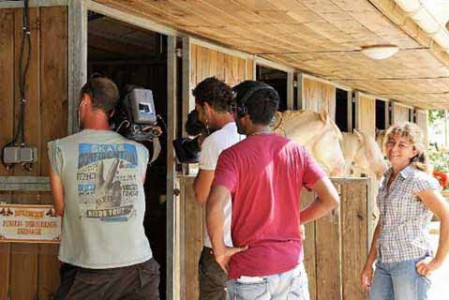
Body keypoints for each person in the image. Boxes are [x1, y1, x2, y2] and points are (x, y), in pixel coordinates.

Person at [206, 80, 340, 299]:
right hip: (292, 268)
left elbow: (214, 204)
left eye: (234, 109)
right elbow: (330, 199)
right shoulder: (296, 151)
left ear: (243, 112)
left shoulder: (232, 156)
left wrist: (219, 251)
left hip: (251, 270)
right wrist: (296, 220)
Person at [48, 76, 160, 300]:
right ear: (111, 111)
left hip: (89, 268)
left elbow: (60, 207)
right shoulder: (139, 151)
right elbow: (135, 190)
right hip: (139, 267)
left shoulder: (60, 149)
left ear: (85, 101)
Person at [361, 122, 449, 300]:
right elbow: (383, 223)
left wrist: (437, 261)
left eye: (402, 145)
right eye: (391, 142)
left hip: (410, 264)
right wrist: (369, 263)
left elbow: (446, 216)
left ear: (414, 151)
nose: (394, 148)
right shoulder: (386, 179)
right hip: (384, 264)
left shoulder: (419, 180)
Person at [192, 77, 244, 300]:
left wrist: (203, 149)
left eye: (200, 112)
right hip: (250, 244)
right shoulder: (249, 134)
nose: (201, 118)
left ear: (206, 107)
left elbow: (202, 194)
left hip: (219, 244)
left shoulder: (215, 142)